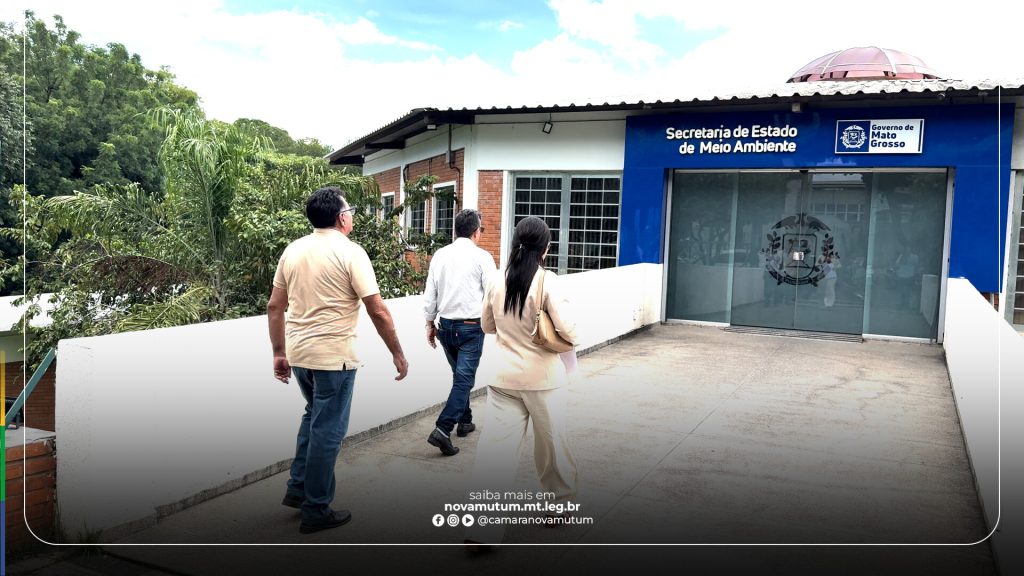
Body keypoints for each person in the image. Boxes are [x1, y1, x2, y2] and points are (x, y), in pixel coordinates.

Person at [267, 186, 409, 534]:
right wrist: (397, 351)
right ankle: (316, 509)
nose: (352, 217)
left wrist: (279, 352)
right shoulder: (351, 252)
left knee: (313, 416)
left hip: (300, 355)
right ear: (341, 218)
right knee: (328, 431)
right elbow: (377, 309)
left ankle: (298, 489)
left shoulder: (293, 250)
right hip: (334, 358)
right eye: (350, 212)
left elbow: (274, 306)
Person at [465, 216, 578, 546]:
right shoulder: (548, 281)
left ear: (515, 243)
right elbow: (568, 330)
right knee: (552, 446)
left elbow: (487, 326)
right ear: (546, 248)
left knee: (496, 451)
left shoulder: (497, 280)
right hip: (544, 379)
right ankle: (557, 507)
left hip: (503, 378)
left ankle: (482, 527)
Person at [423, 209, 497, 456]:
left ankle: (465, 421)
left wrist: (429, 324)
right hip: (471, 328)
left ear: (456, 231)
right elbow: (493, 294)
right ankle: (443, 429)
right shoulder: (482, 257)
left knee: (459, 376)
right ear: (476, 232)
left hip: (445, 327)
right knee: (464, 379)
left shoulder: (440, 255)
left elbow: (430, 293)